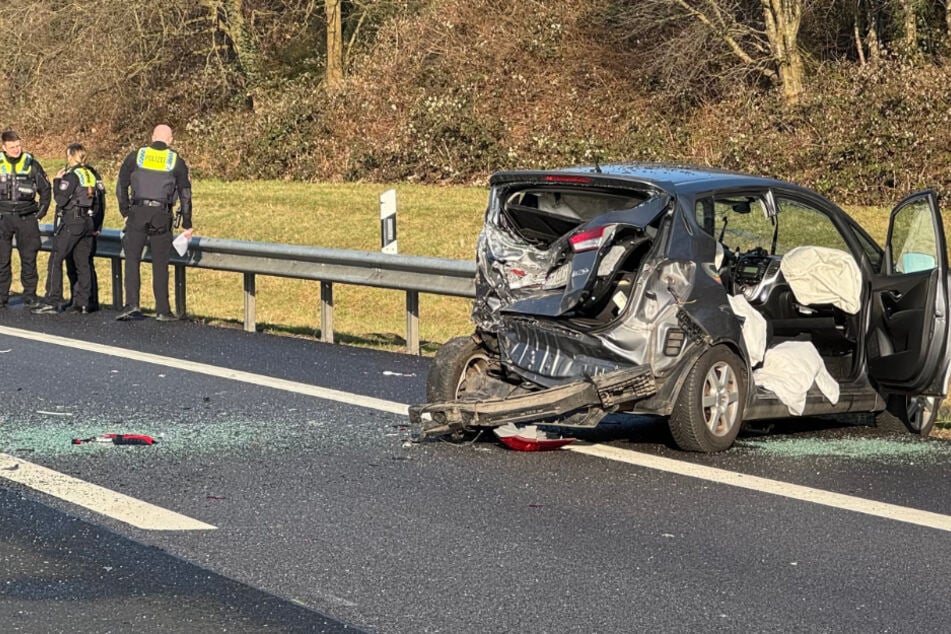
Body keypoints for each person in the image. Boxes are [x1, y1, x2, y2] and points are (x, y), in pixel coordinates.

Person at [115, 124, 193, 321]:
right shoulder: (175, 160)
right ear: (170, 140)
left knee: (132, 259)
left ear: (152, 137)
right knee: (160, 263)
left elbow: (121, 185)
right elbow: (185, 193)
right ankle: (162, 310)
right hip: (161, 214)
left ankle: (131, 304)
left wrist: (125, 211)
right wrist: (186, 221)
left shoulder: (136, 156)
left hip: (137, 211)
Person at [33, 143, 98, 315]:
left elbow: (61, 199)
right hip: (88, 222)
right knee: (82, 263)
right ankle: (83, 303)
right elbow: (97, 201)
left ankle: (52, 300)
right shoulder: (89, 174)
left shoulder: (71, 176)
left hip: (73, 221)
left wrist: (56, 181)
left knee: (55, 258)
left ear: (71, 156)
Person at [0, 129, 51, 308]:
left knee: (29, 259)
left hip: (26, 217)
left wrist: (41, 211)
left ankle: (30, 295)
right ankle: (1, 297)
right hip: (2, 218)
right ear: (3, 147)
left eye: (18, 145)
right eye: (12, 147)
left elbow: (45, 189)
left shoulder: (31, 164)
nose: (16, 149)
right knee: (2, 260)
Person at [65, 162, 105, 312]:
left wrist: (97, 225)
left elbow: (100, 202)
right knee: (74, 265)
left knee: (83, 264)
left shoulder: (88, 173)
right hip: (78, 225)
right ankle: (77, 299)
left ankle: (87, 301)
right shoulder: (75, 173)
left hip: (84, 225)